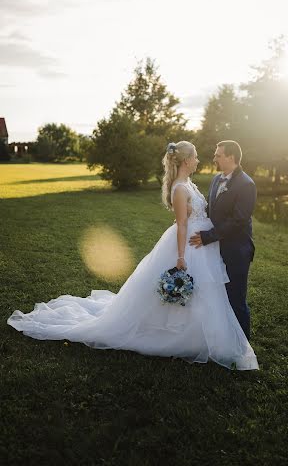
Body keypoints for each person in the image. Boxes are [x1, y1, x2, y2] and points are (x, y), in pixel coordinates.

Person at [7, 141, 258, 371]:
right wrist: (181, 257)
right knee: (199, 292)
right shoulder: (181, 188)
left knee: (211, 293)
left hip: (206, 244)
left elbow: (214, 215)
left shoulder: (192, 184)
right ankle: (192, 337)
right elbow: (182, 225)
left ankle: (215, 336)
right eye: (194, 157)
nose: (200, 160)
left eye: (210, 156)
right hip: (191, 246)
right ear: (184, 161)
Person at [189, 141, 256, 341]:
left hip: (237, 250)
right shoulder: (217, 180)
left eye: (218, 155)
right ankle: (223, 337)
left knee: (236, 298)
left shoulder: (246, 184)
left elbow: (238, 221)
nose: (215, 158)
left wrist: (207, 237)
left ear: (231, 157)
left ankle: (242, 344)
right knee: (219, 296)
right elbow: (212, 210)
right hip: (217, 248)